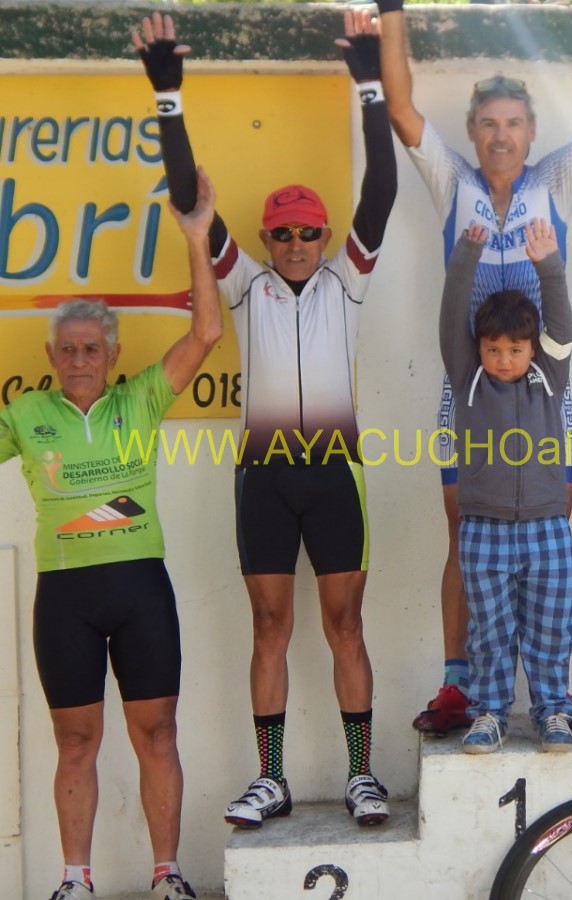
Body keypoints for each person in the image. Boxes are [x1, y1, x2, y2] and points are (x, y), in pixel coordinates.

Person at [132, 10, 397, 827]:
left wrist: (370, 82)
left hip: (336, 475)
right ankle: (271, 778)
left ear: (325, 236)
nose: (295, 242)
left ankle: (362, 775)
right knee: (270, 626)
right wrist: (168, 95)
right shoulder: (245, 285)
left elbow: (382, 189)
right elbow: (189, 196)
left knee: (345, 624)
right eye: (281, 232)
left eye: (307, 231)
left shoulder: (347, 281)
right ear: (265, 238)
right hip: (265, 480)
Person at [378, 0, 572, 736]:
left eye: (512, 123)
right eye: (488, 123)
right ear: (472, 131)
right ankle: (461, 685)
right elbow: (401, 107)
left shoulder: (555, 181)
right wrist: (391, 12)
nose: (501, 135)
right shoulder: (453, 182)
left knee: (549, 531)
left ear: (530, 132)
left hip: (544, 397)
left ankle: (549, 691)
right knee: (464, 534)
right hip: (468, 395)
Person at [0, 168, 222, 900]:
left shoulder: (142, 398)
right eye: (67, 349)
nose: (79, 360)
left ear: (113, 355)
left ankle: (167, 875)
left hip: (140, 590)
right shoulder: (25, 417)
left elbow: (207, 332)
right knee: (76, 743)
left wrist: (197, 236)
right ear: (50, 357)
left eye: (91, 348)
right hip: (65, 597)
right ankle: (75, 881)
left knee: (158, 735)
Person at [439, 218, 572, 753]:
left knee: (552, 628)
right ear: (478, 349)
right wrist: (465, 258)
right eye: (493, 349)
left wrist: (549, 266)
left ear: (532, 349)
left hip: (548, 527)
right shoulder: (466, 376)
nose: (503, 360)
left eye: (516, 349)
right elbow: (451, 318)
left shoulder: (550, 377)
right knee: (490, 634)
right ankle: (489, 714)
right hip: (482, 530)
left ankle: (553, 711)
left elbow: (561, 324)